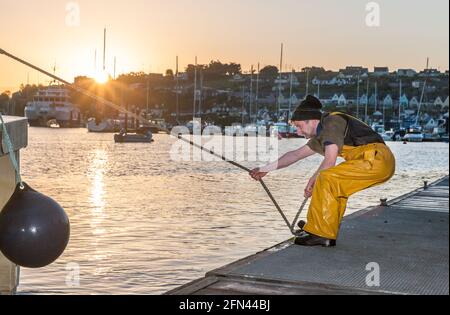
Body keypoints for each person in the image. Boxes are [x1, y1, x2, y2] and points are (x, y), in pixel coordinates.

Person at [250, 95, 396, 247]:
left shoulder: (332, 122)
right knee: (335, 188)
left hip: (376, 159)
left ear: (312, 120)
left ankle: (320, 233)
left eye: (299, 126)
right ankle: (322, 227)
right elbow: (295, 155)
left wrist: (313, 179)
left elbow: (329, 161)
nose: (299, 132)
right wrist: (265, 169)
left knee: (327, 178)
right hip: (375, 161)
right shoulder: (321, 136)